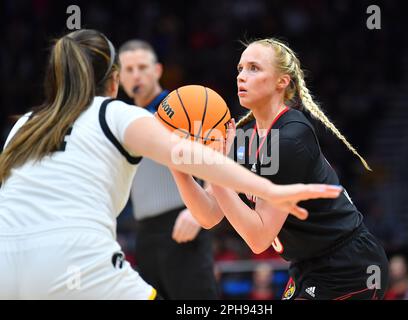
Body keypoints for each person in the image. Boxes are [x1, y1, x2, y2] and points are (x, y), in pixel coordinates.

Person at [0, 30, 341, 299]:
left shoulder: (25, 124)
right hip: (75, 257)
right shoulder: (116, 113)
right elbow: (188, 155)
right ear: (115, 80)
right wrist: (267, 189)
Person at [170, 38, 389, 300]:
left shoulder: (290, 138)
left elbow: (259, 238)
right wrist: (177, 167)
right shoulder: (241, 138)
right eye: (240, 69)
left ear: (281, 81)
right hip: (307, 266)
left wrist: (217, 171)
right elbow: (209, 215)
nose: (242, 76)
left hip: (349, 266)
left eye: (254, 68)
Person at [118, 40, 218, 299]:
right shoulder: (123, 118)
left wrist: (199, 213)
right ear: (119, 77)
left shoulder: (182, 106)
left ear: (158, 70)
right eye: (128, 69)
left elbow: (219, 157)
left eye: (142, 67)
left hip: (182, 221)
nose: (135, 75)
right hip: (144, 233)